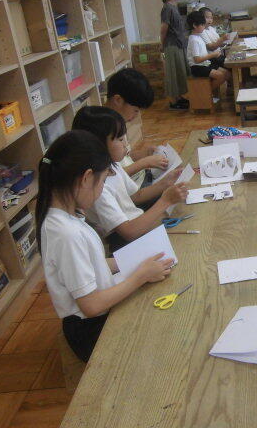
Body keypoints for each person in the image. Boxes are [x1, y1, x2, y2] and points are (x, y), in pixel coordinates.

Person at [36, 130, 174, 362]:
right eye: (101, 182)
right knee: (165, 337)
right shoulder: (66, 233)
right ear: (87, 178)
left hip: (98, 315)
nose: (101, 190)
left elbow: (93, 265)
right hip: (91, 330)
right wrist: (140, 276)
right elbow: (91, 305)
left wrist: (135, 261)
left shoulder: (65, 218)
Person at [72, 106, 188, 252]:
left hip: (140, 225)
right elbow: (128, 232)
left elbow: (135, 196)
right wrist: (166, 201)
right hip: (125, 242)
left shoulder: (112, 166)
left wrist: (165, 183)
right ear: (98, 145)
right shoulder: (97, 188)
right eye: (120, 139)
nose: (125, 144)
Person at [104, 69, 167, 192]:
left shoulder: (117, 122)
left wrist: (145, 153)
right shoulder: (101, 130)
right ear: (118, 100)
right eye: (135, 110)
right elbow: (110, 178)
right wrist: (144, 163)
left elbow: (124, 157)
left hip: (141, 179)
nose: (136, 115)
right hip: (134, 191)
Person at [161, 0, 189, 111]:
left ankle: (179, 97)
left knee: (179, 72)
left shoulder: (173, 7)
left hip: (179, 44)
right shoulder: (167, 8)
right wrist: (162, 44)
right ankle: (173, 101)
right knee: (173, 73)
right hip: (171, 45)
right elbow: (164, 28)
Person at [186, 10, 231, 93]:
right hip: (197, 67)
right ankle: (206, 94)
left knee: (226, 73)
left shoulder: (198, 37)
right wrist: (212, 55)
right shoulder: (193, 40)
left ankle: (211, 93)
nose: (204, 27)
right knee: (220, 76)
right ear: (195, 25)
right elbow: (197, 60)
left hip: (205, 64)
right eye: (202, 25)